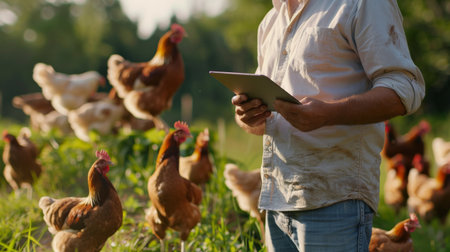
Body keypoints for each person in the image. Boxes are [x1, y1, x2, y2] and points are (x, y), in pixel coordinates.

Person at [231, 0, 425, 251]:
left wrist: (329, 113)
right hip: (276, 201)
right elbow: (263, 120)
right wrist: (247, 116)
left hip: (335, 201)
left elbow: (405, 88)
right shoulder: (271, 20)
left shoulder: (362, 4)